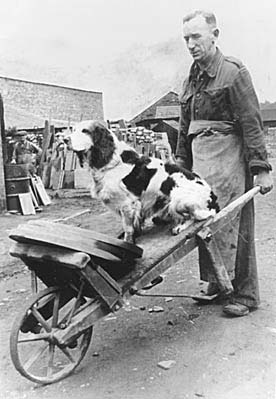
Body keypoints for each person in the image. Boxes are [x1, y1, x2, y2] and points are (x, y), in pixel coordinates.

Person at [176, 10, 273, 317]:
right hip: (201, 160)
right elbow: (183, 127)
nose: (191, 44)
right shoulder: (189, 80)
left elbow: (251, 122)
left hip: (230, 157)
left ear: (214, 35)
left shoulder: (233, 72)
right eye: (186, 39)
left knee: (235, 223)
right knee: (204, 223)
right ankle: (218, 282)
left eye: (197, 37)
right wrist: (181, 165)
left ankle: (246, 295)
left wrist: (261, 169)